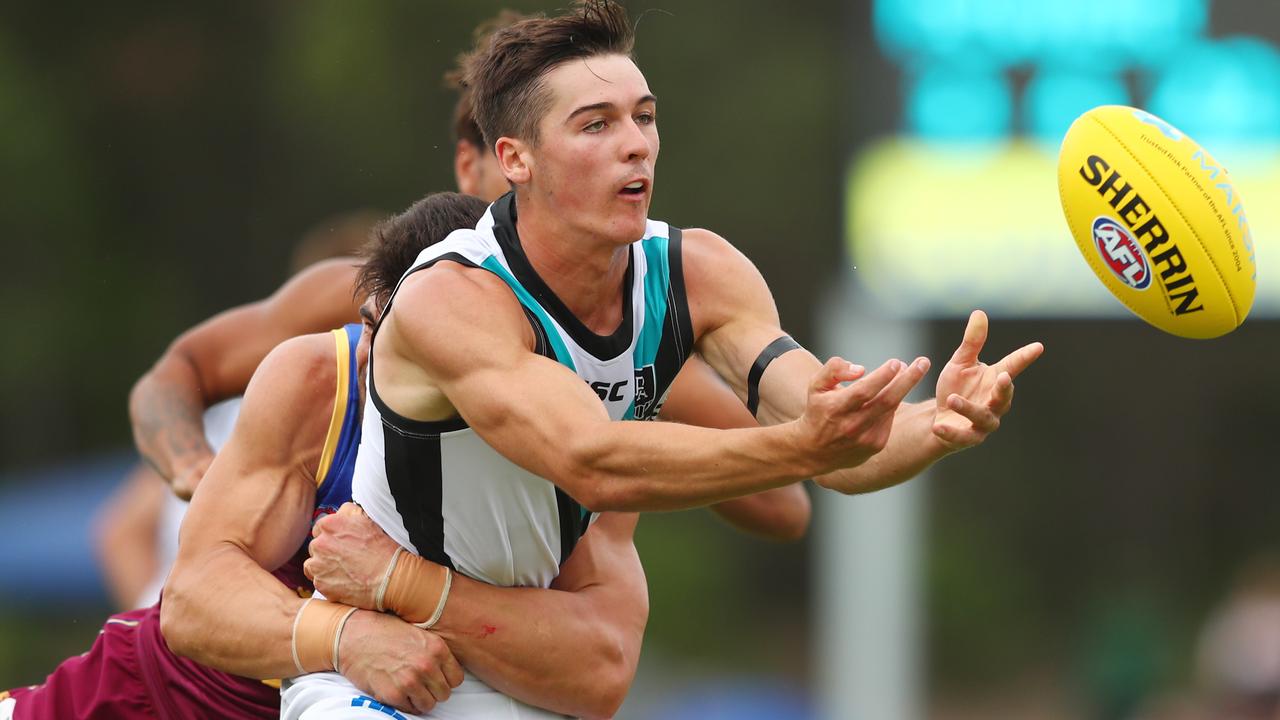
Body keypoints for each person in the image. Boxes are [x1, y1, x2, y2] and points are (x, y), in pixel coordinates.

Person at [284, 2, 1044, 718]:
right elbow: (595, 461)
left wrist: (935, 424)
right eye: (596, 124)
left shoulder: (699, 273)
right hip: (376, 668)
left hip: (517, 666)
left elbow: (842, 450)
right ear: (513, 158)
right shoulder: (454, 295)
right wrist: (806, 445)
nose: (636, 142)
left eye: (644, 118)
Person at [125, 19, 809, 541]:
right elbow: (179, 371)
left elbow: (785, 503)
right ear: (490, 160)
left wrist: (622, 457)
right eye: (585, 130)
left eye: (629, 122)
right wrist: (195, 471)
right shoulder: (381, 296)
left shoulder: (628, 334)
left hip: (481, 644)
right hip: (298, 635)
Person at [0, 193, 646, 720]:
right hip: (154, 700)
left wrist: (404, 584)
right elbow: (191, 596)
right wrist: (189, 464)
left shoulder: (578, 423)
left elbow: (600, 671)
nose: (383, 350)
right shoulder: (322, 369)